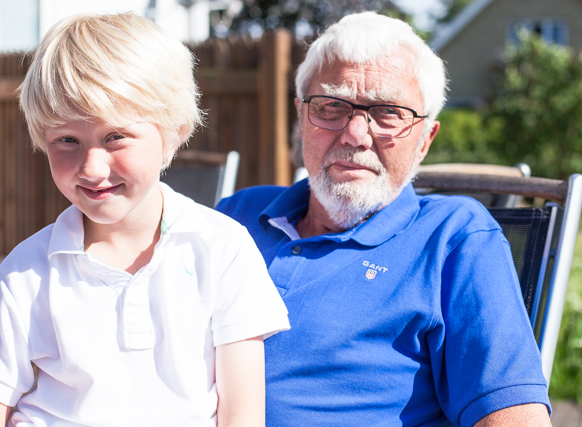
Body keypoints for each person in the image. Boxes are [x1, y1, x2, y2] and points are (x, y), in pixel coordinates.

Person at [217, 11, 551, 427]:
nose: (355, 134)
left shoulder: (455, 237)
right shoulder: (237, 215)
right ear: (302, 118)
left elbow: (515, 418)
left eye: (389, 112)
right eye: (332, 106)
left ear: (425, 140)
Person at [0, 12, 289, 427]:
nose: (91, 167)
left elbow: (242, 414)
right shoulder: (26, 271)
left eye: (115, 137)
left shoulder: (222, 249)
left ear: (174, 130)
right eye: (66, 140)